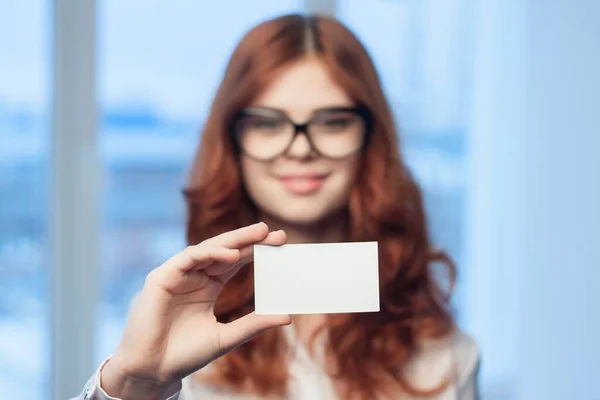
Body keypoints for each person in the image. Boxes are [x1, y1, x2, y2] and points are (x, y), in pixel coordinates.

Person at [73, 13, 479, 400]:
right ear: (232, 141)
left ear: (371, 139)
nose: (300, 149)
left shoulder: (444, 352)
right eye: (267, 123)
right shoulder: (170, 326)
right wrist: (132, 385)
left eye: (332, 122)